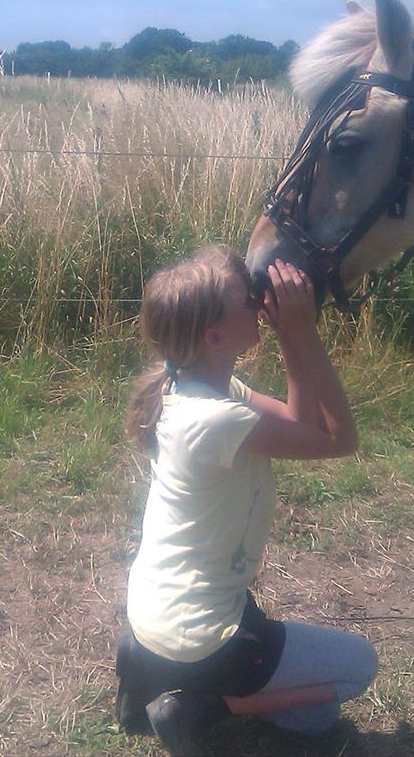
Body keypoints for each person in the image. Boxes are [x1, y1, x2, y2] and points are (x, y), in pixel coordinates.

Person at [116, 244, 378, 757]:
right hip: (200, 634)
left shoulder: (196, 387)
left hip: (156, 614)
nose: (259, 303)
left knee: (316, 715)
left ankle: (152, 668)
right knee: (357, 669)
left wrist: (290, 333)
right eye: (247, 300)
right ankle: (199, 707)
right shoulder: (216, 420)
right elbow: (338, 439)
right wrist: (302, 332)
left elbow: (299, 420)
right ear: (214, 337)